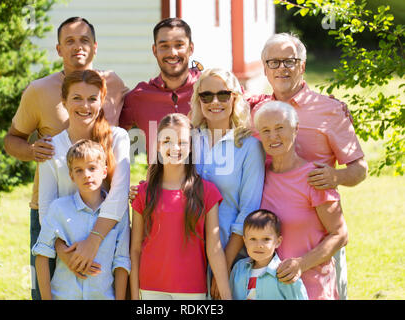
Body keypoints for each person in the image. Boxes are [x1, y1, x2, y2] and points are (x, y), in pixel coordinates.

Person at [3, 16, 128, 300]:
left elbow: (132, 130)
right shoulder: (38, 90)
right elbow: (11, 139)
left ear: (95, 47)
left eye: (84, 40)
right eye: (69, 41)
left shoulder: (114, 84)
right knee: (45, 288)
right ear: (58, 49)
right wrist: (34, 151)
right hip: (50, 213)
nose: (77, 47)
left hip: (105, 216)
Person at [250, 33, 368, 299]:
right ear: (265, 68)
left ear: (302, 66)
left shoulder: (329, 110)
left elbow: (360, 169)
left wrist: (334, 176)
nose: (282, 68)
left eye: (289, 61)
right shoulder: (256, 111)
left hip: (319, 242)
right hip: (269, 244)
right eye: (274, 62)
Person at [38, 70, 130, 280]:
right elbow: (46, 210)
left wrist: (93, 242)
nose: (85, 106)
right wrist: (64, 253)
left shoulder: (118, 138)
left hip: (108, 252)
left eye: (92, 99)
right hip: (66, 254)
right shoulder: (50, 147)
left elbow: (118, 197)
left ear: (102, 101)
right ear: (64, 101)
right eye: (77, 98)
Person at [130, 113, 232, 300]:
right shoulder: (143, 193)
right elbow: (135, 248)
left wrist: (226, 295)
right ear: (158, 145)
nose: (175, 147)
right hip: (150, 288)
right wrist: (135, 296)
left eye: (182, 142)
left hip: (192, 290)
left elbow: (214, 248)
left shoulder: (207, 192)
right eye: (167, 140)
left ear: (191, 147)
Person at [253, 101, 349, 300]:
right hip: (270, 291)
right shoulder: (258, 174)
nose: (273, 136)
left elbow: (340, 234)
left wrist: (301, 264)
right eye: (266, 130)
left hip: (312, 288)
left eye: (280, 128)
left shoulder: (314, 177)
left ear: (295, 129)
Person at [190, 68, 265, 299]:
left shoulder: (249, 147)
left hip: (231, 252)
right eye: (206, 96)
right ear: (198, 100)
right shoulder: (188, 140)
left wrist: (224, 264)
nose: (215, 102)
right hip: (188, 253)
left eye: (223, 95)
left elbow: (249, 209)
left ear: (234, 98)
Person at [32, 139, 130, 300]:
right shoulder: (58, 209)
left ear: (104, 172)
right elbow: (42, 255)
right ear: (71, 176)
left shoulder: (119, 214)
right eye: (79, 170)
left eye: (92, 168)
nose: (86, 175)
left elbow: (121, 262)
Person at [119, 18, 200, 160]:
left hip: (205, 181)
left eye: (179, 45)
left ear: (191, 48)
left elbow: (248, 105)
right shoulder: (140, 97)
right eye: (164, 46)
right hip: (158, 182)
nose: (172, 53)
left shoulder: (209, 89)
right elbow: (108, 132)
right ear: (155, 50)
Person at [230, 209, 308, 300]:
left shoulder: (285, 273)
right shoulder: (238, 269)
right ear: (245, 241)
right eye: (253, 239)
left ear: (278, 242)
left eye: (266, 239)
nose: (259, 245)